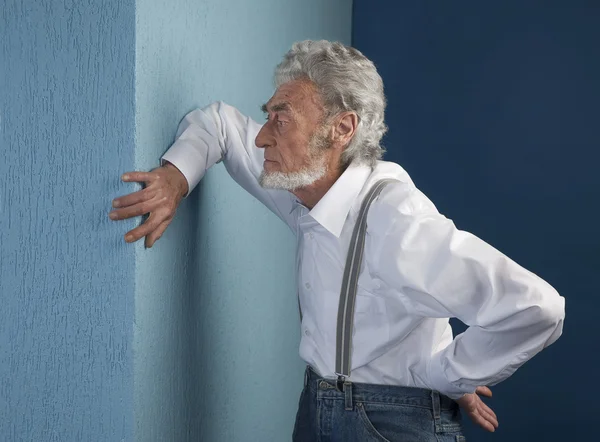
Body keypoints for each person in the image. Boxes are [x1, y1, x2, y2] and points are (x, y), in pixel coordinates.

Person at [109, 40, 565, 441]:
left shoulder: (395, 220)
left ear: (341, 129)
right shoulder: (302, 187)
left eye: (281, 120)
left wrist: (445, 375)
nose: (263, 135)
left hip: (393, 424)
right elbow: (220, 124)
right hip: (316, 406)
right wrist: (174, 178)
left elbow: (537, 307)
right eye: (268, 116)